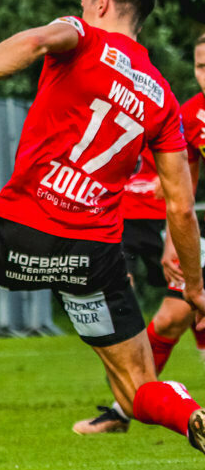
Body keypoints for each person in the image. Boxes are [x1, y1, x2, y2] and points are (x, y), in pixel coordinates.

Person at [0, 0, 205, 455]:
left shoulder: (81, 36)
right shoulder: (163, 98)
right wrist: (195, 287)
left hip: (22, 233)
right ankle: (191, 416)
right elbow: (181, 209)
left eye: (84, 5)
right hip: (95, 256)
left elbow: (35, 42)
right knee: (136, 386)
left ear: (100, 3)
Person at [74, 33, 205, 434]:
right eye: (201, 67)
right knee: (170, 319)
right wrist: (173, 241)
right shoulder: (193, 113)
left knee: (176, 317)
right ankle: (124, 409)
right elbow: (187, 182)